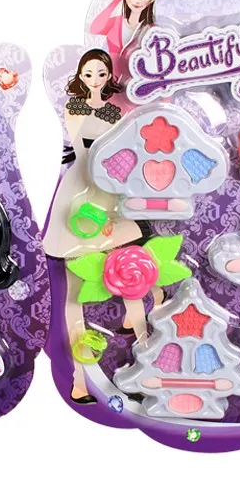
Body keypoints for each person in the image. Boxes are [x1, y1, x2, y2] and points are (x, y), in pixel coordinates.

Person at [43, 49, 143, 403]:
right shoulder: (75, 109)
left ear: (109, 76)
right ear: (80, 77)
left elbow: (122, 154)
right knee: (74, 289)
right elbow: (85, 153)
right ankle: (79, 379)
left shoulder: (118, 112)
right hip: (83, 194)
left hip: (111, 191)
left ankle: (146, 355)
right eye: (89, 74)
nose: (95, 80)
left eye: (101, 74)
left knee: (133, 277)